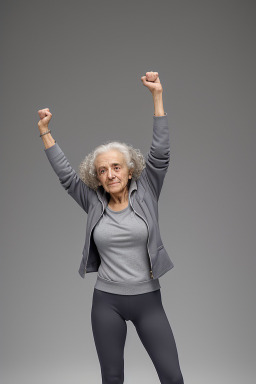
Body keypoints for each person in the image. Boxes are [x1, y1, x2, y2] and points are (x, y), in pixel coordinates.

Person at [37, 71, 184, 384]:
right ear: (97, 178)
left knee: (172, 377)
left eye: (116, 167)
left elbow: (161, 153)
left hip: (149, 301)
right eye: (102, 170)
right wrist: (45, 132)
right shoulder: (93, 202)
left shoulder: (147, 191)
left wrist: (157, 96)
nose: (110, 174)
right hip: (106, 301)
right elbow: (66, 176)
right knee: (112, 377)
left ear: (130, 171)